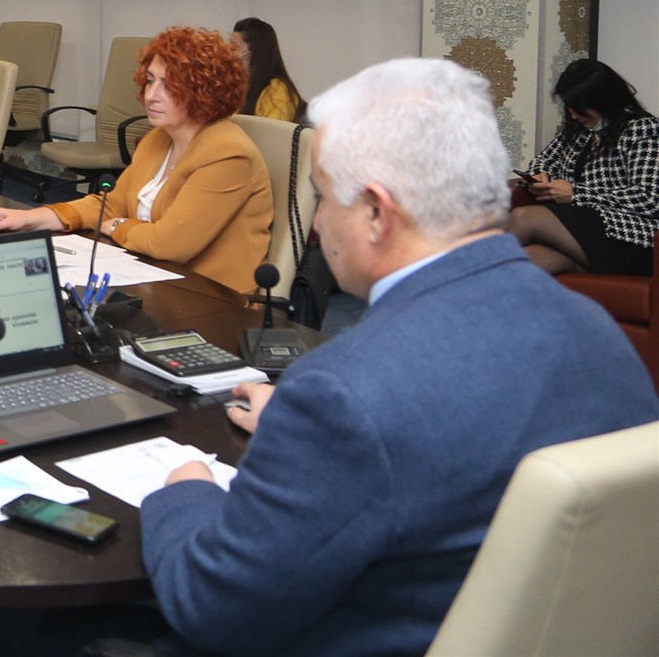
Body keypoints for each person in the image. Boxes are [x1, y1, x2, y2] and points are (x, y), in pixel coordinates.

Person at [137, 57, 658, 656]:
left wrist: (185, 489)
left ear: (377, 213)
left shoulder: (344, 393)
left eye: (323, 197)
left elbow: (211, 607)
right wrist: (304, 431)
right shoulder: (597, 332)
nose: (319, 222)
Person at [0, 26, 270, 293]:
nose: (150, 96)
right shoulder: (158, 138)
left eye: (168, 86)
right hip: (152, 274)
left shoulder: (228, 154)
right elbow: (111, 206)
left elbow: (170, 244)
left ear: (205, 91)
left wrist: (118, 226)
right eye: (150, 81)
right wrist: (32, 218)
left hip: (211, 295)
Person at [509, 58, 657, 276]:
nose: (574, 115)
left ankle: (456, 275)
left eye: (580, 107)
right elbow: (544, 160)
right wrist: (540, 175)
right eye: (570, 107)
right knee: (527, 260)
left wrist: (577, 194)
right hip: (582, 233)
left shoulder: (642, 129)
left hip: (629, 237)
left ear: (605, 99)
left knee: (524, 218)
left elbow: (649, 199)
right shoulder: (580, 131)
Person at [232, 16, 304, 122]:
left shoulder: (277, 90)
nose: (228, 51)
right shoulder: (239, 86)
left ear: (255, 51)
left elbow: (271, 131)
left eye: (234, 46)